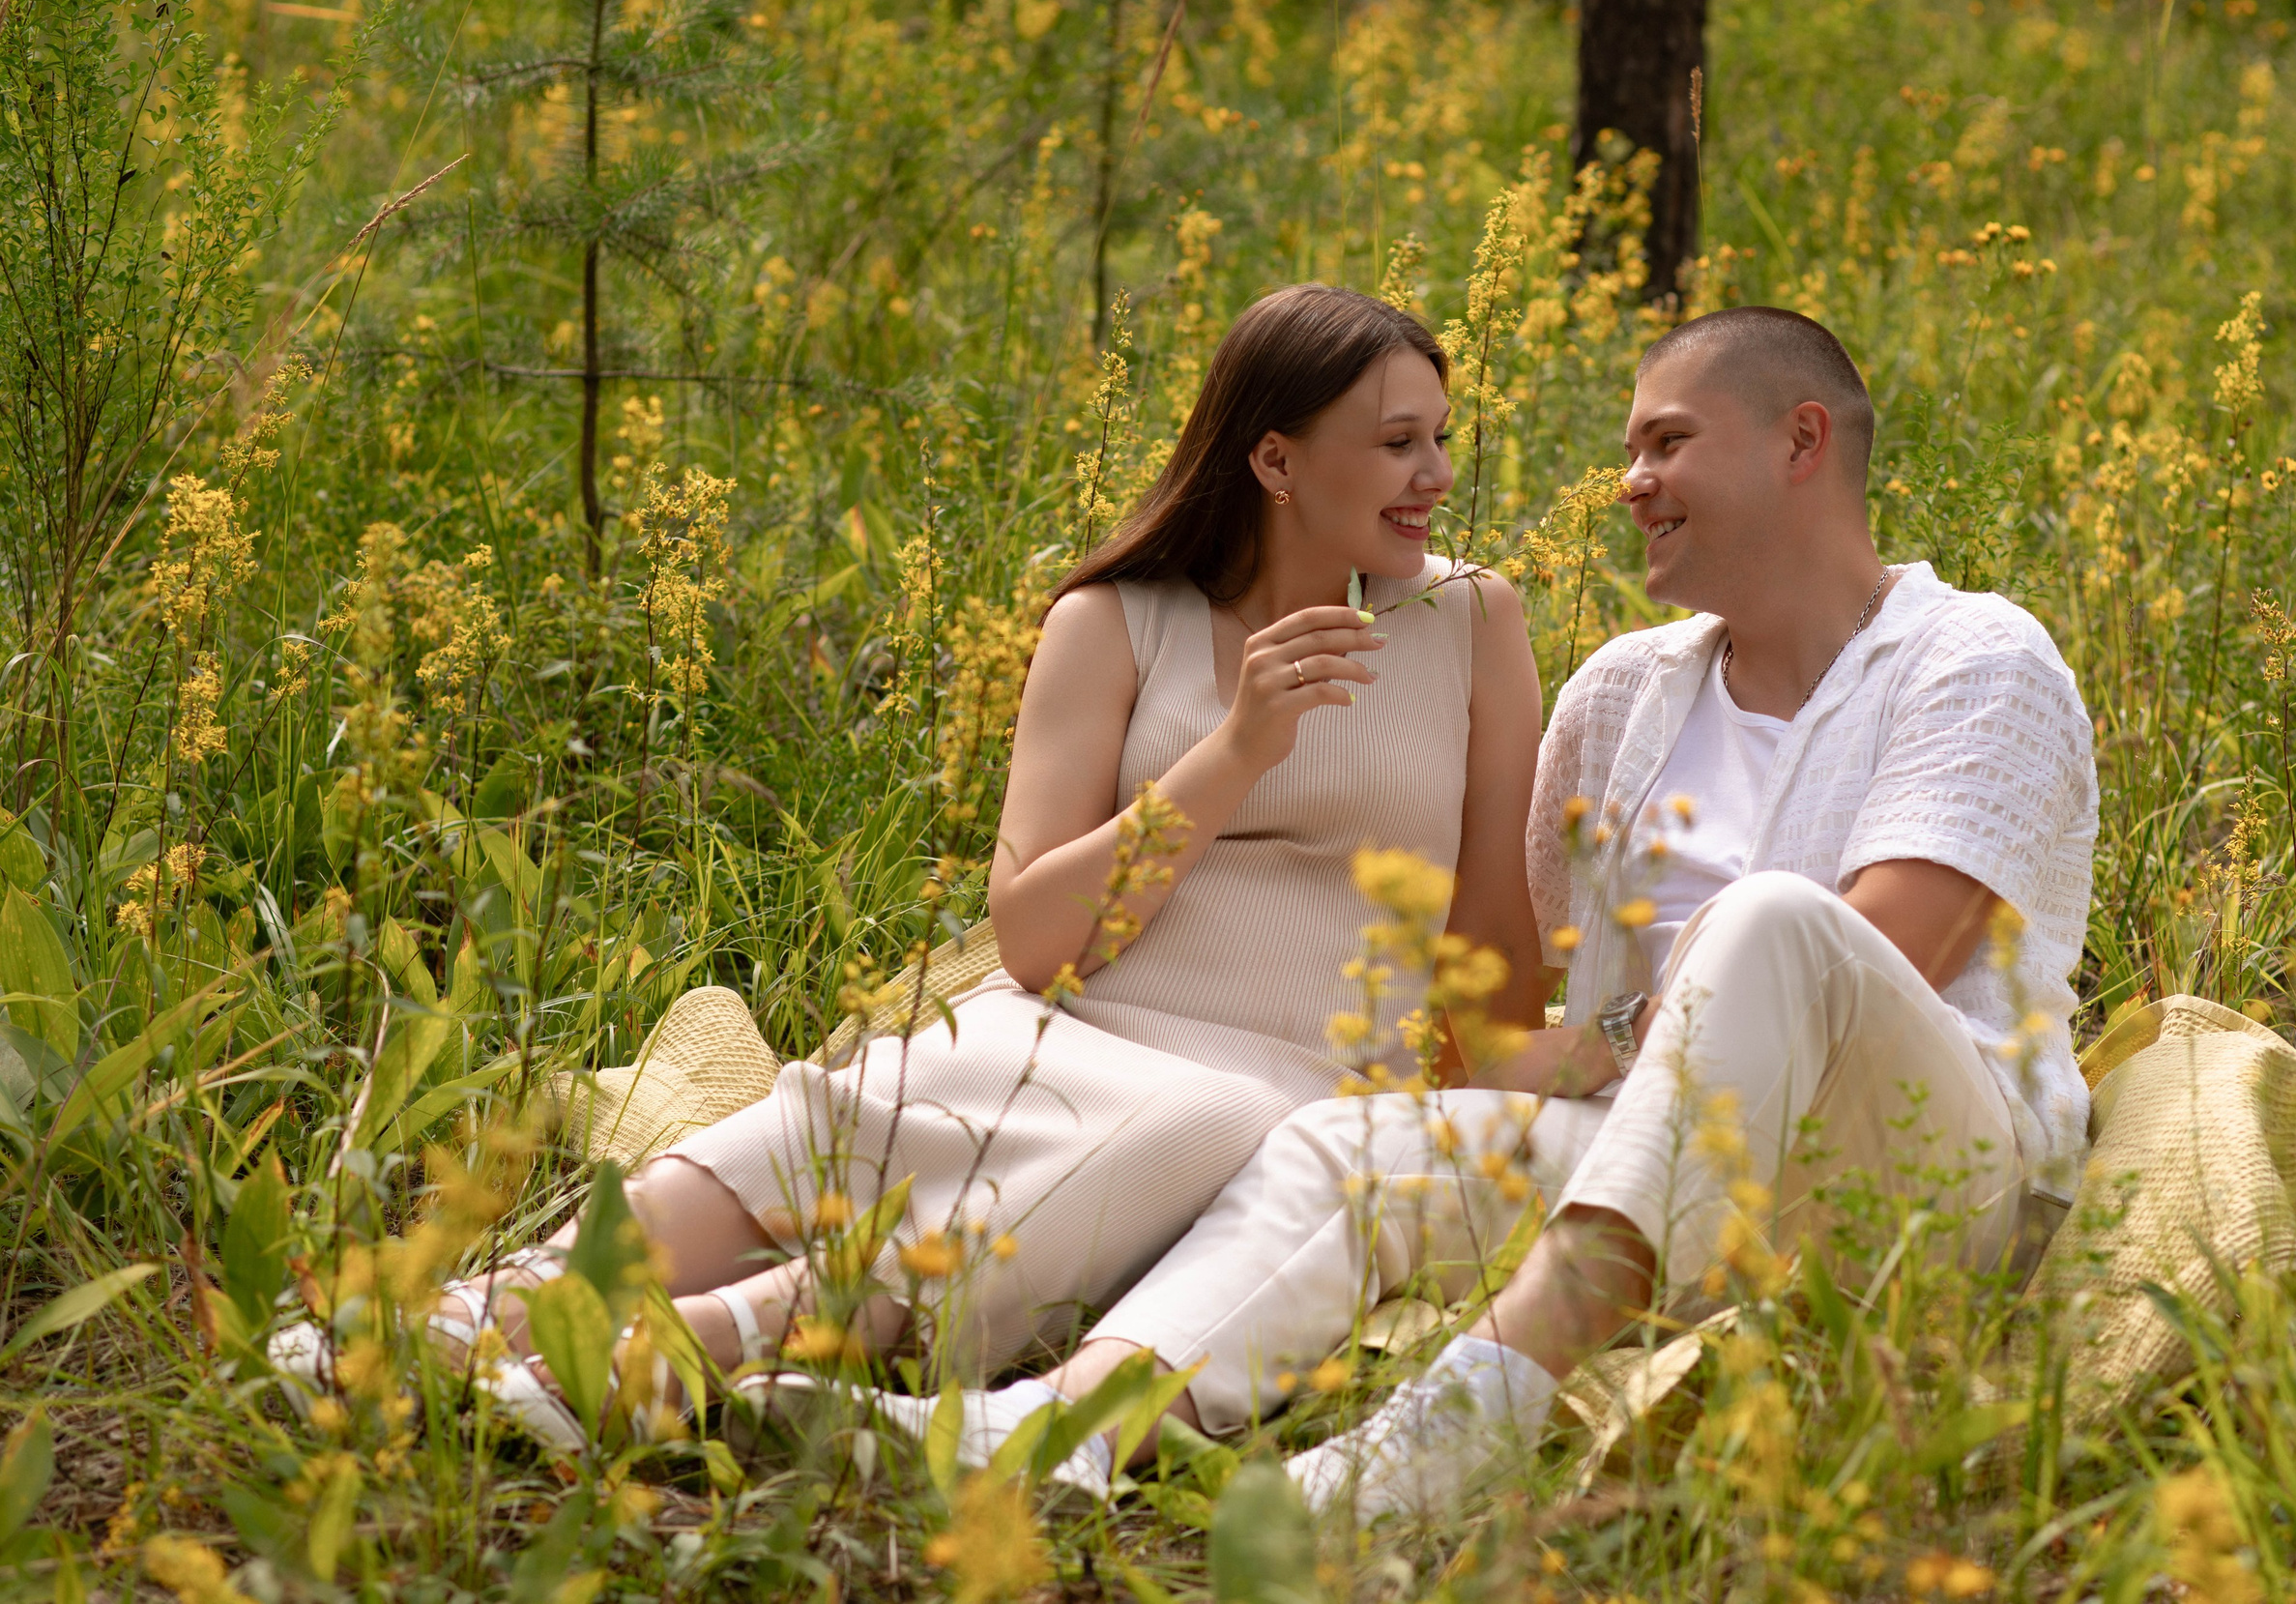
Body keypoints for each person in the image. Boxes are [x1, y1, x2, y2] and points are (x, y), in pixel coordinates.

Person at [273, 284, 1548, 1448]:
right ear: (1274, 456)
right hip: (1073, 1019)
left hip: (1289, 1086)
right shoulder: (1116, 621)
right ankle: (502, 1301)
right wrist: (1235, 747)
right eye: (1397, 442)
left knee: (1196, 1118)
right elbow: (1042, 939)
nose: (1435, 473)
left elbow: (1491, 958)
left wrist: (1601, 1062)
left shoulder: (1474, 621)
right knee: (888, 1099)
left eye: (1440, 436)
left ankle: (694, 1348)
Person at [902, 306, 2098, 1516]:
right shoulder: (1620, 695)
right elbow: (1504, 1022)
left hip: (1916, 1183)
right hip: (1664, 1175)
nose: (1630, 482)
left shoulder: (1973, 658)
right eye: (1632, 450)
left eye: (1666, 444)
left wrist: (1626, 1039)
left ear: (1799, 442)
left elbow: (1889, 951)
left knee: (1768, 918)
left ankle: (1458, 1422)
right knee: (1340, 1149)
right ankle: (1062, 1425)